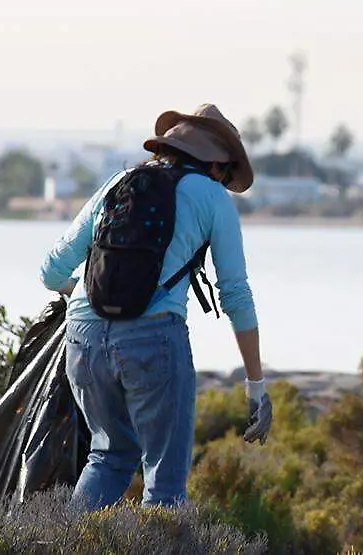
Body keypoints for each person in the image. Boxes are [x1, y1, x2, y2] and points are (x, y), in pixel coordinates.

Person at [39, 103, 271, 511]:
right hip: (153, 339)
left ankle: (66, 538)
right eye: (226, 173)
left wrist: (86, 294)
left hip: (83, 337)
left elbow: (52, 271)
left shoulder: (120, 182)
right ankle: (159, 538)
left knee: (108, 456)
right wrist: (256, 386)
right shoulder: (213, 197)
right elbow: (235, 294)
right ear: (216, 164)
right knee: (165, 485)